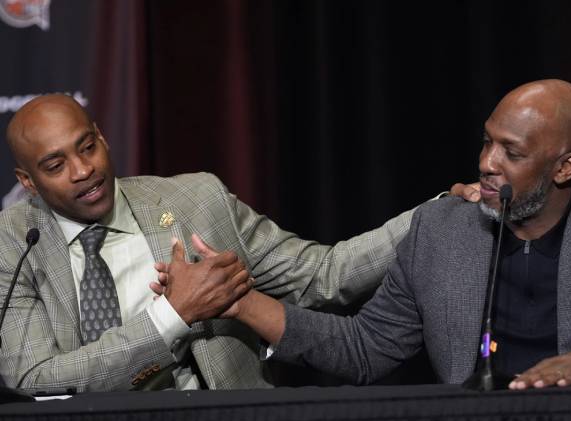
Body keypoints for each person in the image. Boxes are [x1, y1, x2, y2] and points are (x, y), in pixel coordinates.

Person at [0, 94, 472, 392]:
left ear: (102, 137)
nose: (84, 171)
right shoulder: (13, 240)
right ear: (28, 181)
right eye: (55, 165)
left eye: (87, 147)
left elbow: (323, 275)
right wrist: (172, 315)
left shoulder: (195, 200)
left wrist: (434, 214)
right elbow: (32, 376)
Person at [221, 79, 571, 390]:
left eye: (512, 153)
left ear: (565, 168)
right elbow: (365, 349)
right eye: (487, 142)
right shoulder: (441, 231)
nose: (486, 163)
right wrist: (241, 303)